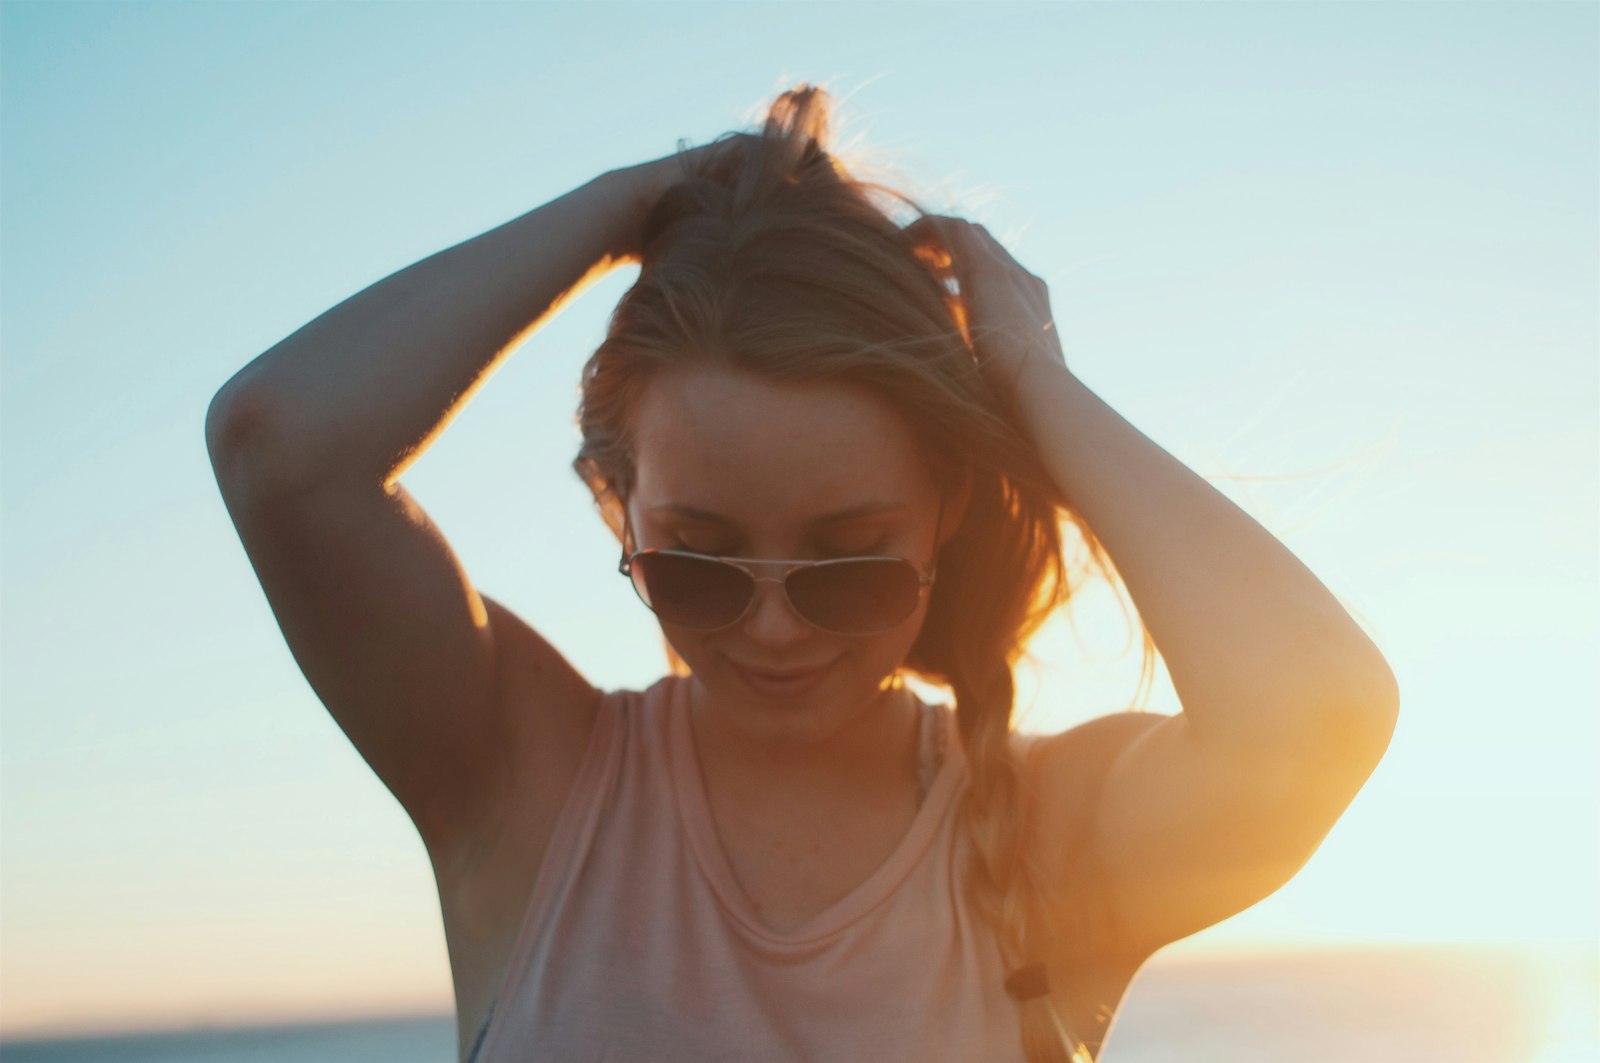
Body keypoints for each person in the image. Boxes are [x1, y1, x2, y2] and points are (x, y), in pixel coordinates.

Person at [205, 84, 1400, 1063]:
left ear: (941, 521)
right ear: (618, 506)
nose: (773, 628)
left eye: (847, 566)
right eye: (700, 565)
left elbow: (1320, 716)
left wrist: (1035, 380)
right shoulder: (524, 775)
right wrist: (635, 201)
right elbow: (279, 446)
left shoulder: (1046, 835)